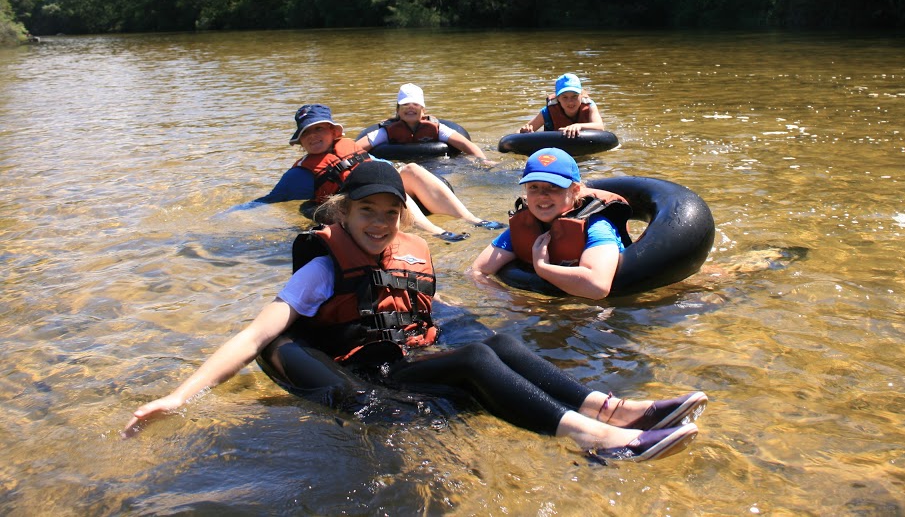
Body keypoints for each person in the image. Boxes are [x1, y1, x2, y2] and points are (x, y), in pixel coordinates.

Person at [123, 161, 708, 463]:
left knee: (502, 344)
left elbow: (416, 313)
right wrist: (180, 396)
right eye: (367, 212)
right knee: (478, 356)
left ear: (403, 216)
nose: (379, 224)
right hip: (374, 370)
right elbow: (256, 335)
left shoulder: (406, 252)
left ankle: (616, 408)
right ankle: (595, 439)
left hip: (411, 350)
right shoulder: (321, 269)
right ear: (345, 214)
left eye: (390, 213)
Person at [247, 104, 505, 241]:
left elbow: (381, 165)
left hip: (383, 189)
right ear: (300, 141)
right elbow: (267, 201)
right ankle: (436, 232)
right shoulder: (299, 175)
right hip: (353, 201)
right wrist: (233, 213)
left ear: (333, 132)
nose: (313, 136)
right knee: (387, 188)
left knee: (411, 170)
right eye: (307, 133)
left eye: (319, 130)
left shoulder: (348, 147)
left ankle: (473, 219)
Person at [468, 148, 630, 300]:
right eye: (534, 187)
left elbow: (598, 287)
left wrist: (542, 268)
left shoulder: (597, 226)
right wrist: (514, 301)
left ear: (575, 190)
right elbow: (476, 271)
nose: (542, 195)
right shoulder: (523, 227)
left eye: (553, 187)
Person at [356, 84, 499, 167]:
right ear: (398, 111)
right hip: (400, 164)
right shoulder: (387, 131)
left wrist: (483, 160)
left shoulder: (436, 128)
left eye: (415, 104)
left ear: (424, 110)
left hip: (434, 163)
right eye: (405, 104)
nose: (410, 107)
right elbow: (358, 147)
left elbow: (464, 144)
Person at [519, 73, 605, 138]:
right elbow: (517, 134)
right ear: (558, 98)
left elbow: (600, 127)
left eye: (574, 96)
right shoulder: (548, 111)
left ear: (581, 95)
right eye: (565, 97)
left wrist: (578, 126)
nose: (570, 102)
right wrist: (525, 132)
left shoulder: (589, 106)